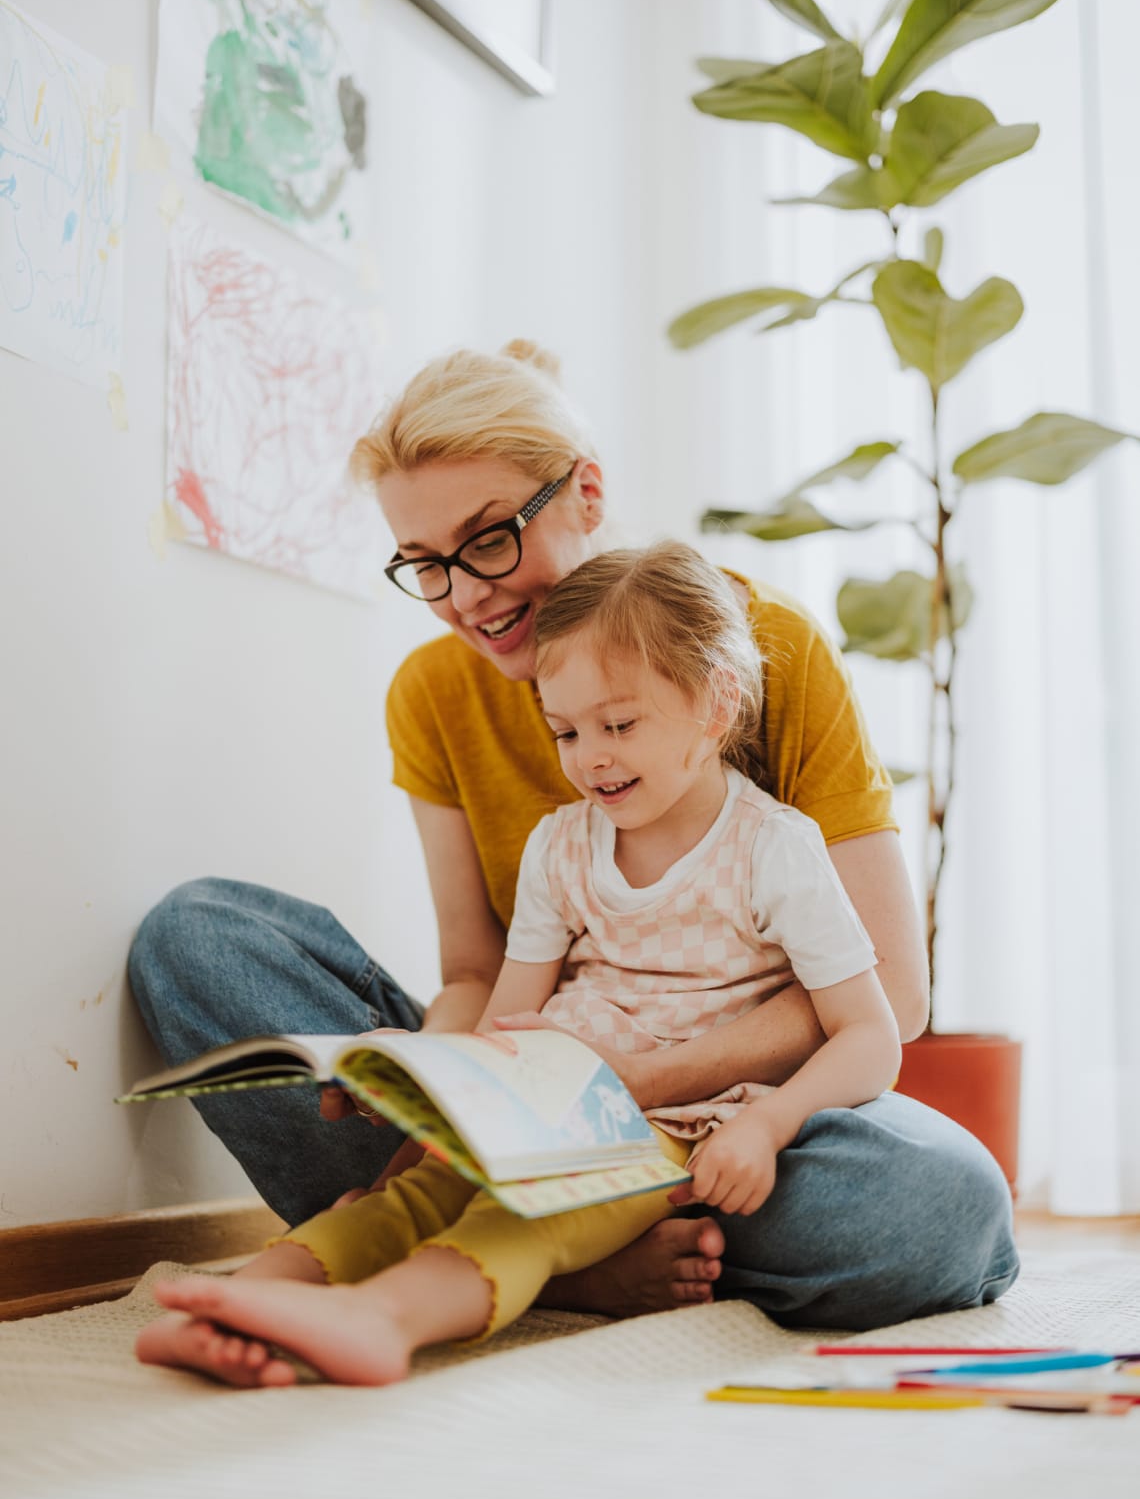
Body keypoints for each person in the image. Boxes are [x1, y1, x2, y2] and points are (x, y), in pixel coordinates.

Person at [128, 339, 1019, 1330]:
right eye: (426, 564)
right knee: (196, 935)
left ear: (586, 491)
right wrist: (435, 1081)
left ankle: (524, 1246)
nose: (466, 594)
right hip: (538, 1064)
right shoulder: (433, 693)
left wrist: (618, 1085)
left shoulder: (761, 651)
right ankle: (559, 1257)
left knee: (945, 1205)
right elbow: (473, 971)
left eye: (489, 538)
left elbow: (888, 993)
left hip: (719, 1109)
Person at [137, 543, 905, 1386]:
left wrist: (769, 1121)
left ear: (717, 702)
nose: (591, 759)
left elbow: (871, 1033)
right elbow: (506, 1015)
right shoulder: (562, 844)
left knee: (526, 1215)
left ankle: (383, 1320)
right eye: (566, 731)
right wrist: (424, 1096)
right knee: (404, 1199)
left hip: (667, 1125)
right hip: (538, 1093)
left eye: (619, 725)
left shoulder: (774, 850)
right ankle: (236, 1305)